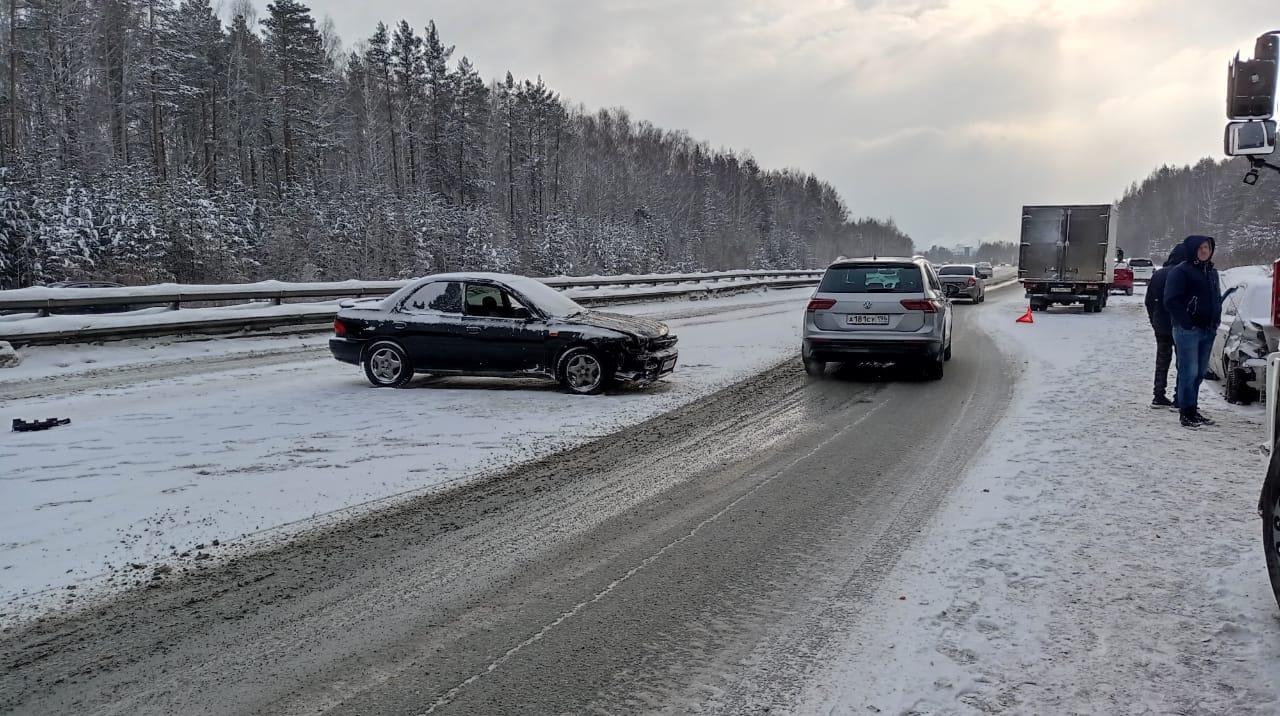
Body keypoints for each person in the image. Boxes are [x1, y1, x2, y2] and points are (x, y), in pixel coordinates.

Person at [1163, 235, 1222, 429]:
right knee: (1188, 372)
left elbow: (1216, 298)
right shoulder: (1181, 272)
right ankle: (1186, 413)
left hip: (1208, 329)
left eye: (1208, 247)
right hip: (1187, 331)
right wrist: (1186, 323)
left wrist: (1215, 320)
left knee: (1199, 374)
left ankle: (1193, 408)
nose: (1205, 251)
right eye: (1201, 247)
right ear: (1193, 249)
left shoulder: (1212, 273)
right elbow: (1171, 300)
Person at [1144, 244, 1186, 409]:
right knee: (1182, 362)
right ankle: (1179, 396)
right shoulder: (1184, 275)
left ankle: (1158, 394)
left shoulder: (1159, 274)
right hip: (1181, 324)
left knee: (1162, 359)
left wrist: (1153, 320)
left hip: (1161, 324)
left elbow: (1148, 301)